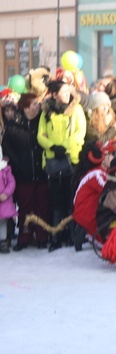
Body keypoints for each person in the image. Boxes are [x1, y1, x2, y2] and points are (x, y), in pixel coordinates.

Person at [37, 79, 87, 251]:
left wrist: (64, 146)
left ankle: (72, 235)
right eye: (63, 92)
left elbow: (80, 132)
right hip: (52, 162)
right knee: (56, 202)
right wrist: (52, 146)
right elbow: (40, 135)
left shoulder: (77, 109)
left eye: (69, 91)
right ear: (55, 94)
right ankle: (56, 236)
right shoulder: (46, 111)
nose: (67, 94)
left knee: (70, 200)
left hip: (71, 160)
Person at [2, 93, 48, 250]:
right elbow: (7, 147)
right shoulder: (14, 125)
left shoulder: (42, 122)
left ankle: (42, 236)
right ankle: (24, 236)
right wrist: (18, 163)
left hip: (41, 173)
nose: (37, 106)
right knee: (25, 208)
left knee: (41, 206)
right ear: (26, 107)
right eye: (34, 104)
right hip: (23, 174)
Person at [71, 140, 116, 248]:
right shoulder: (97, 174)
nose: (112, 158)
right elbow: (109, 190)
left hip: (92, 210)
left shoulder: (101, 172)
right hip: (88, 213)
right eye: (109, 155)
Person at [0, 147, 16, 253]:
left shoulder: (5, 169)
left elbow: (11, 183)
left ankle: (3, 241)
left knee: (3, 222)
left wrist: (6, 193)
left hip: (3, 201)